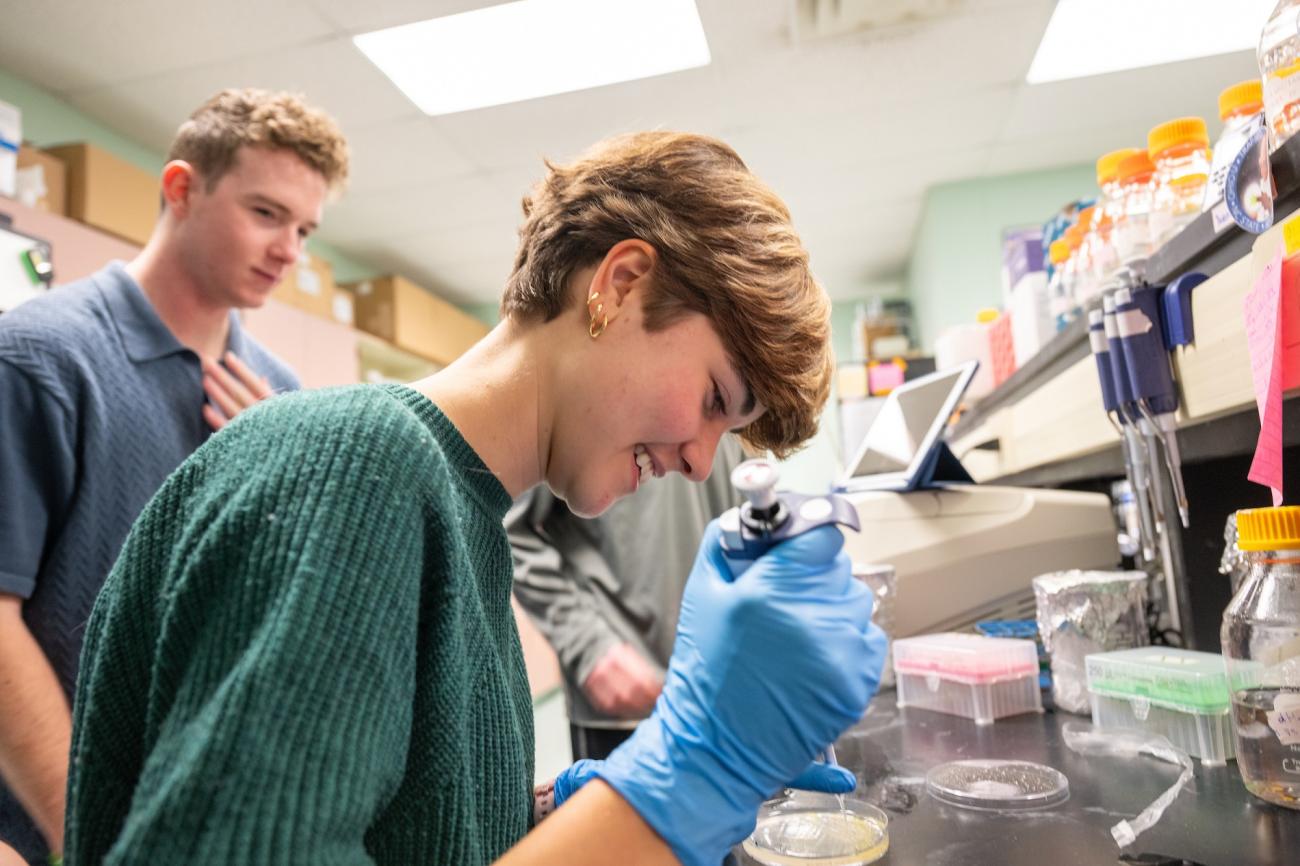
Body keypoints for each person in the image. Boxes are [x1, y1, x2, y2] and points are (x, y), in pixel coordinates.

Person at [64, 131, 886, 866]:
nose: (699, 459)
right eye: (714, 399)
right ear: (621, 285)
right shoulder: (356, 467)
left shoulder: (465, 520)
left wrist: (550, 818)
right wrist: (685, 777)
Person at [0, 88, 348, 863]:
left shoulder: (278, 396)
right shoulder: (39, 357)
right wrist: (88, 835)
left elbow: (280, 617)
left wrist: (286, 476)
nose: (291, 251)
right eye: (266, 214)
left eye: (305, 229)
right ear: (182, 189)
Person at [508, 435, 745, 760]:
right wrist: (587, 645)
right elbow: (508, 527)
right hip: (625, 715)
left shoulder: (742, 411)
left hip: (726, 700)